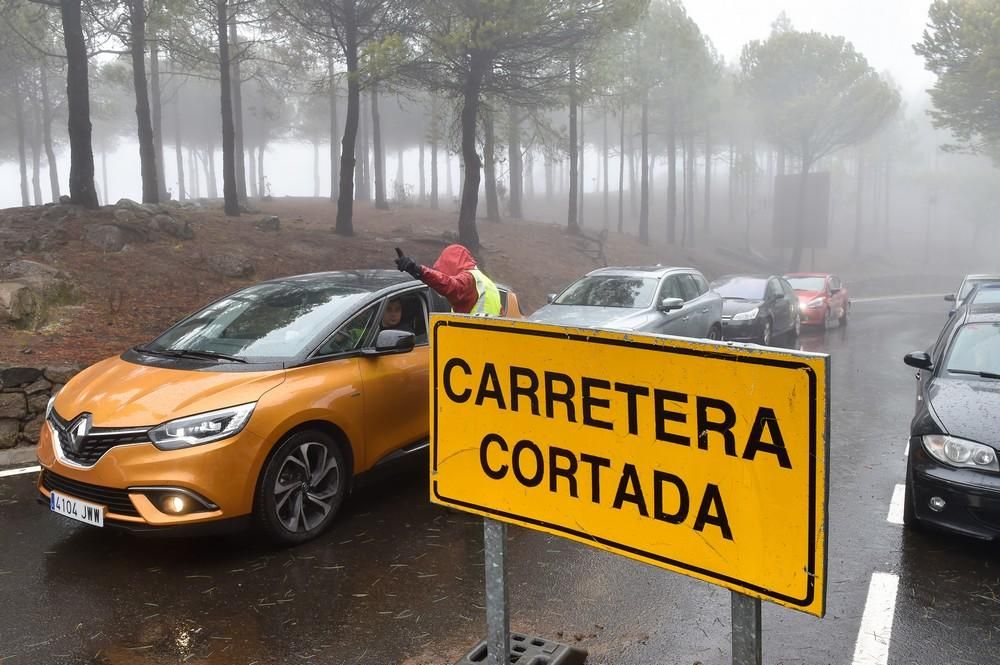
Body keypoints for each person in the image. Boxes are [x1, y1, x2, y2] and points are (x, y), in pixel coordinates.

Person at [394, 244, 501, 316]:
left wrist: (418, 271)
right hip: (489, 344)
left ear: (451, 264)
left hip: (470, 342)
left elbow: (449, 285)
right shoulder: (488, 284)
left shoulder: (468, 280)